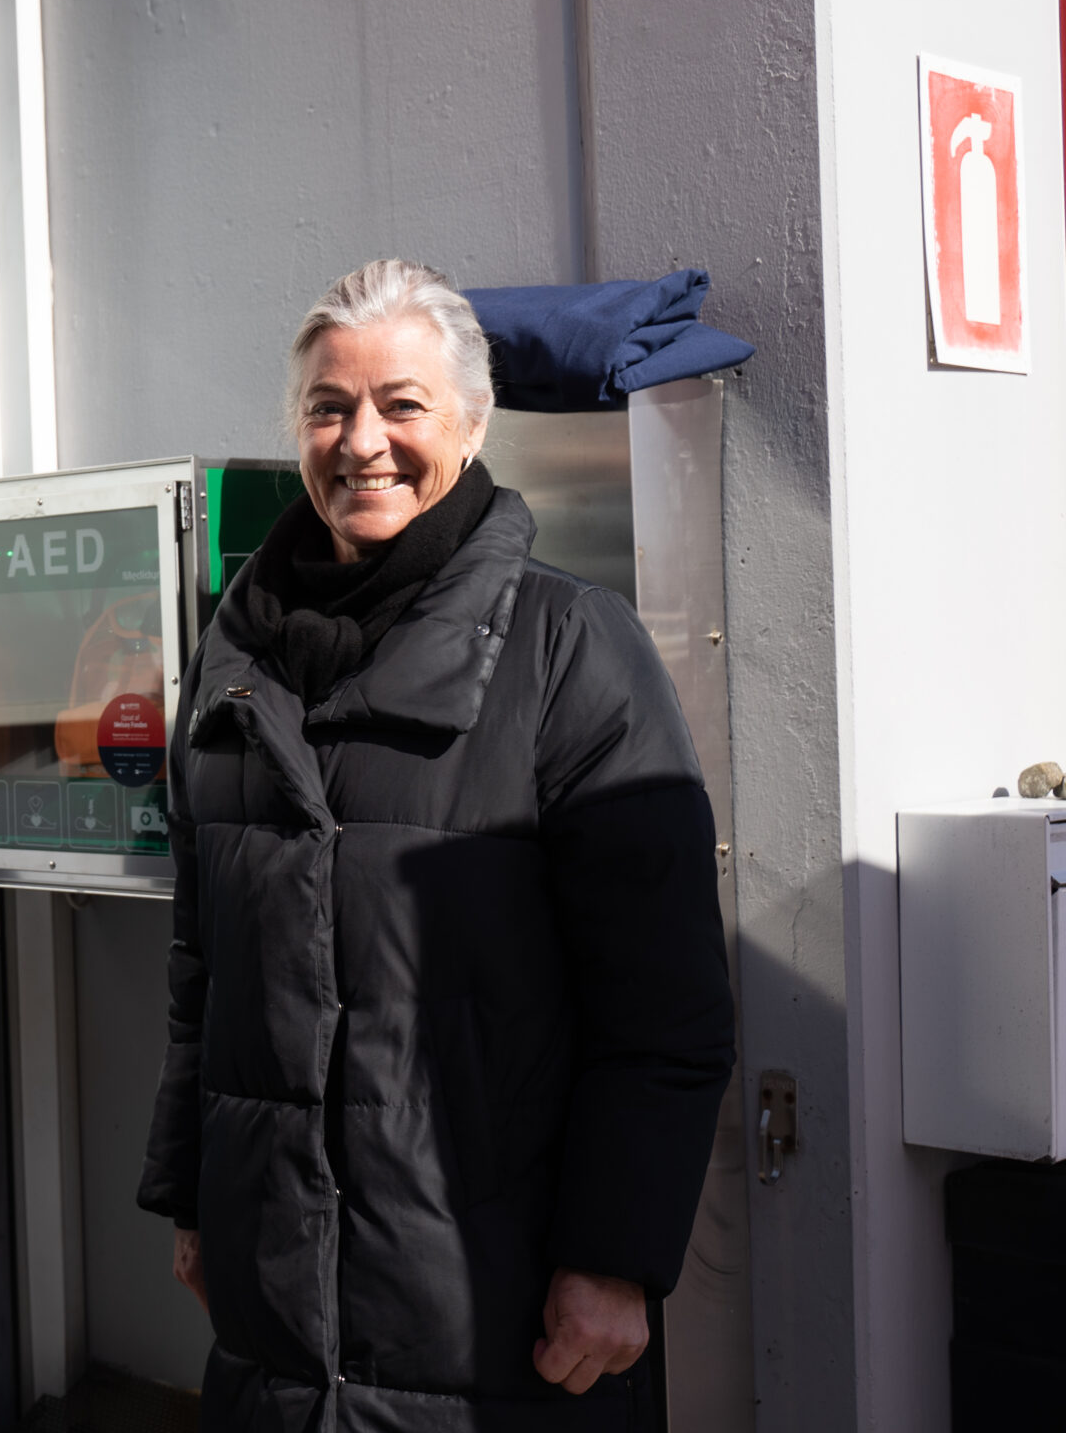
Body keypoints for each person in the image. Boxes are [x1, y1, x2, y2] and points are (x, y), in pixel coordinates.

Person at [139, 259, 736, 1428]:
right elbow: (200, 975)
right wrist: (192, 1196)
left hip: (497, 1319)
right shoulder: (232, 665)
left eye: (401, 404)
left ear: (469, 422)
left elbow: (662, 1003)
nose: (362, 441)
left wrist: (616, 1260)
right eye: (328, 406)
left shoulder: (571, 651)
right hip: (278, 1324)